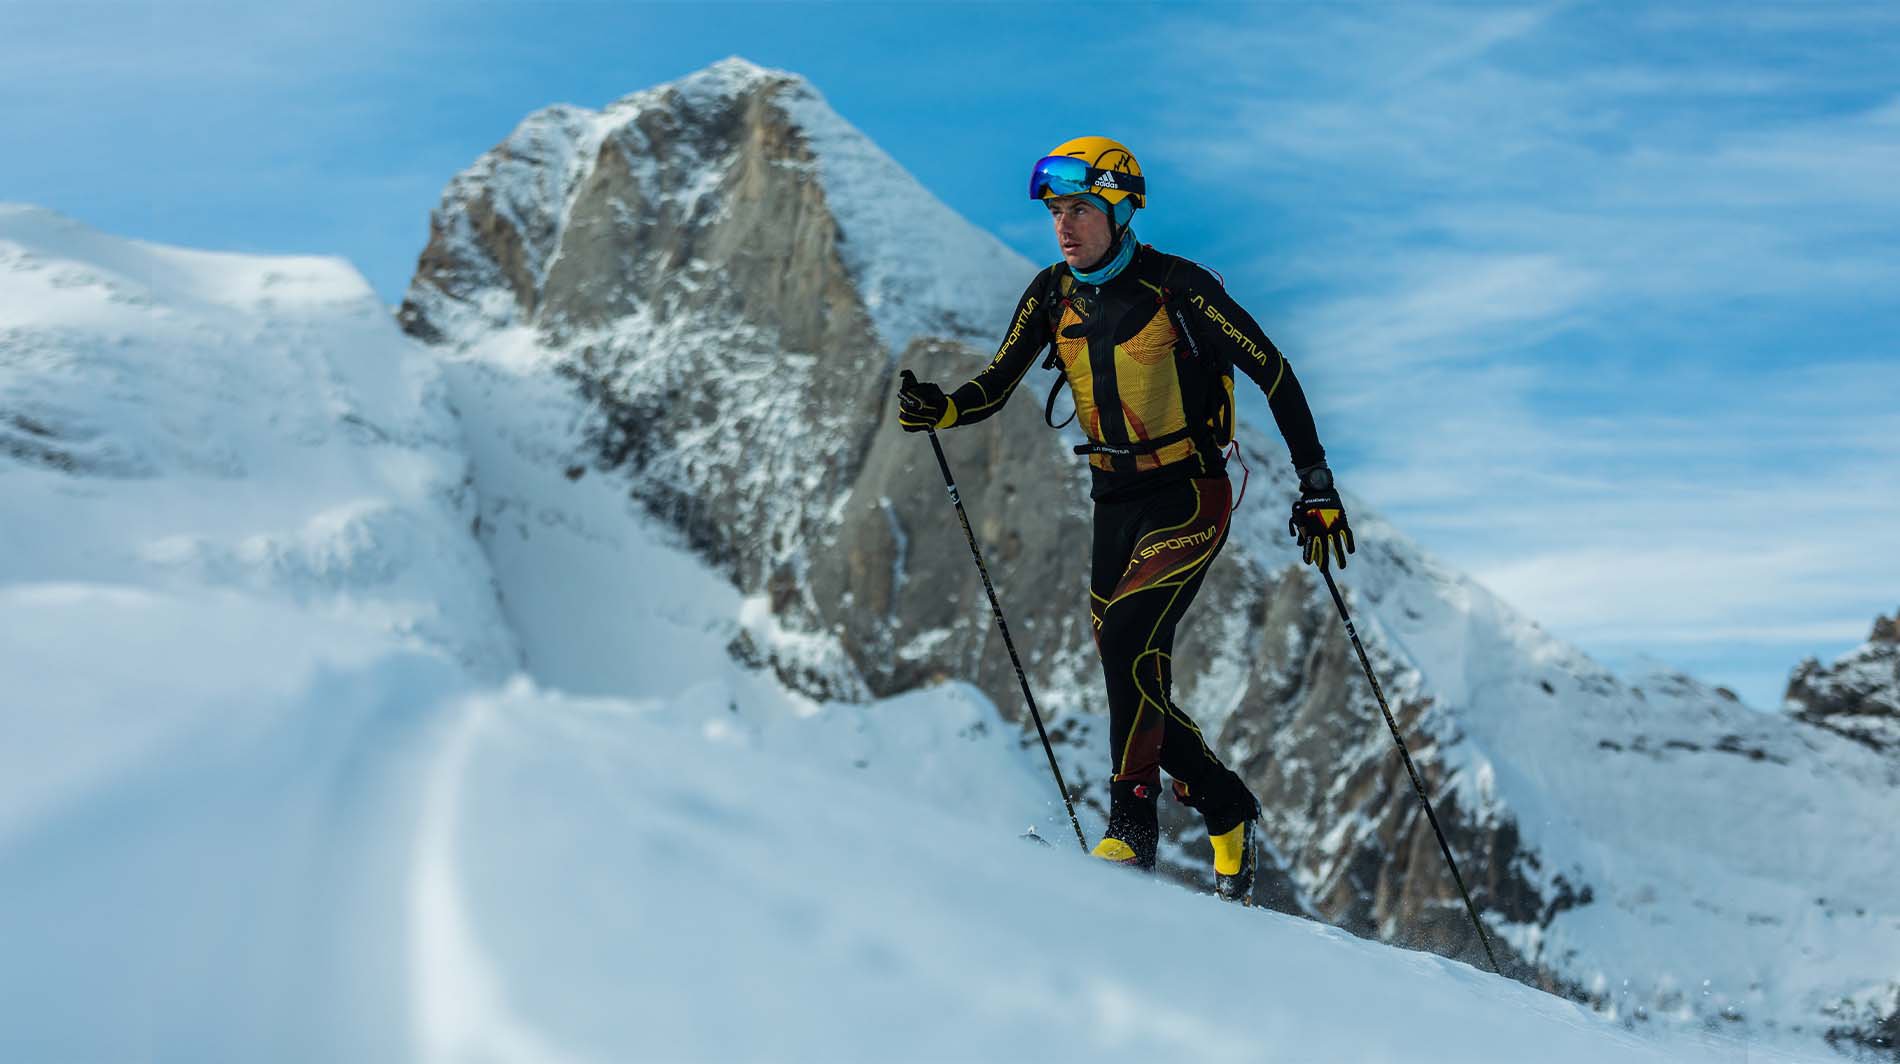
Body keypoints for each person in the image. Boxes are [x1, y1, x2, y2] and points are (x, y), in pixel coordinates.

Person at [896, 136, 1352, 902]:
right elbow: (996, 384)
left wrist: (1316, 484)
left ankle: (1132, 831)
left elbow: (1273, 370)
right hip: (1112, 501)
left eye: (1080, 209)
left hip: (1190, 495)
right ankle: (1222, 801)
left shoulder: (1180, 287)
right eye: (1055, 212)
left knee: (1129, 646)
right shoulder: (1049, 293)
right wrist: (940, 407)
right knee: (1129, 668)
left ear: (1119, 208)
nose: (1064, 226)